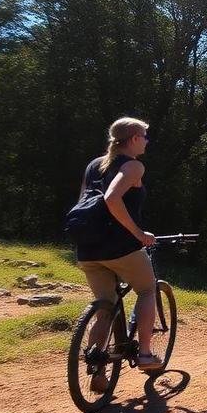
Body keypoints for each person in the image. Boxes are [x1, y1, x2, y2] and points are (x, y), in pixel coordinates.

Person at [75, 117, 161, 392]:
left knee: (105, 304)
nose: (147, 141)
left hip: (88, 248)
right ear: (134, 138)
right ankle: (146, 354)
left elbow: (84, 203)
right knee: (148, 289)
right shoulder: (133, 165)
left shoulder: (94, 165)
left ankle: (97, 368)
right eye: (145, 136)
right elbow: (112, 199)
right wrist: (139, 234)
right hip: (120, 247)